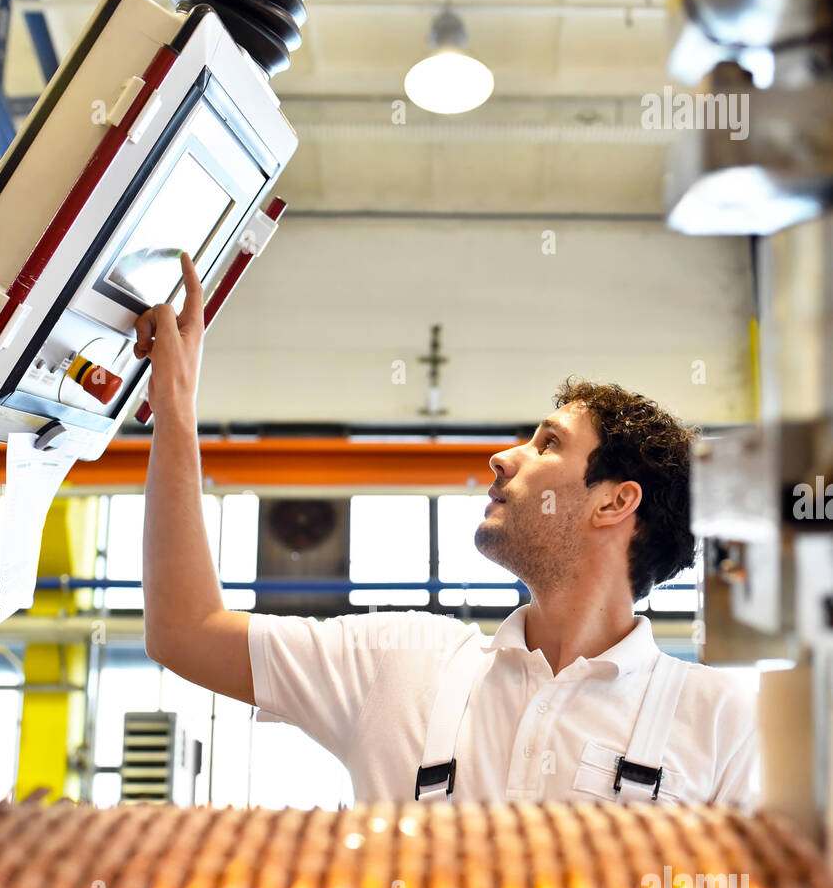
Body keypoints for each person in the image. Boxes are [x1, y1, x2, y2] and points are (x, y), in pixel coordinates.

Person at [137, 254, 758, 809]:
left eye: (547, 444)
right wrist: (175, 405)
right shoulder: (399, 664)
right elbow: (185, 633)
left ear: (615, 503)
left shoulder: (722, 723)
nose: (502, 457)